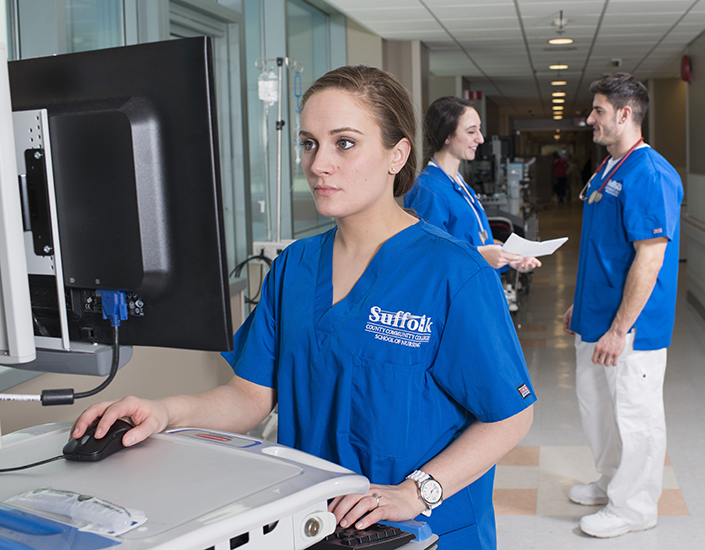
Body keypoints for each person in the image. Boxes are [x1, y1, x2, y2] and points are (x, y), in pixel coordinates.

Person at [70, 66, 535, 549]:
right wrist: (162, 411)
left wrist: (416, 493)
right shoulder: (295, 266)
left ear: (397, 154)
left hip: (424, 532)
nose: (318, 164)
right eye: (309, 143)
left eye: (345, 143)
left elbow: (510, 415)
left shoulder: (452, 273)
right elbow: (250, 397)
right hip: (318, 525)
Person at [562, 73, 683, 538]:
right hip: (595, 319)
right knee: (598, 409)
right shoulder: (608, 168)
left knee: (635, 414)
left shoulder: (649, 173)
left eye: (597, 111)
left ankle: (634, 507)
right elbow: (601, 249)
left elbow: (650, 258)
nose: (589, 118)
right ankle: (612, 482)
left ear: (625, 114)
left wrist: (619, 328)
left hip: (631, 329)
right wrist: (582, 307)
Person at [404, 96, 541, 274]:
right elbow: (429, 254)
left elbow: (479, 241)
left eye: (479, 130)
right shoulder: (429, 189)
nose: (481, 139)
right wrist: (481, 255)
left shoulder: (459, 185)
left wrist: (512, 256)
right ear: (446, 136)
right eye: (471, 132)